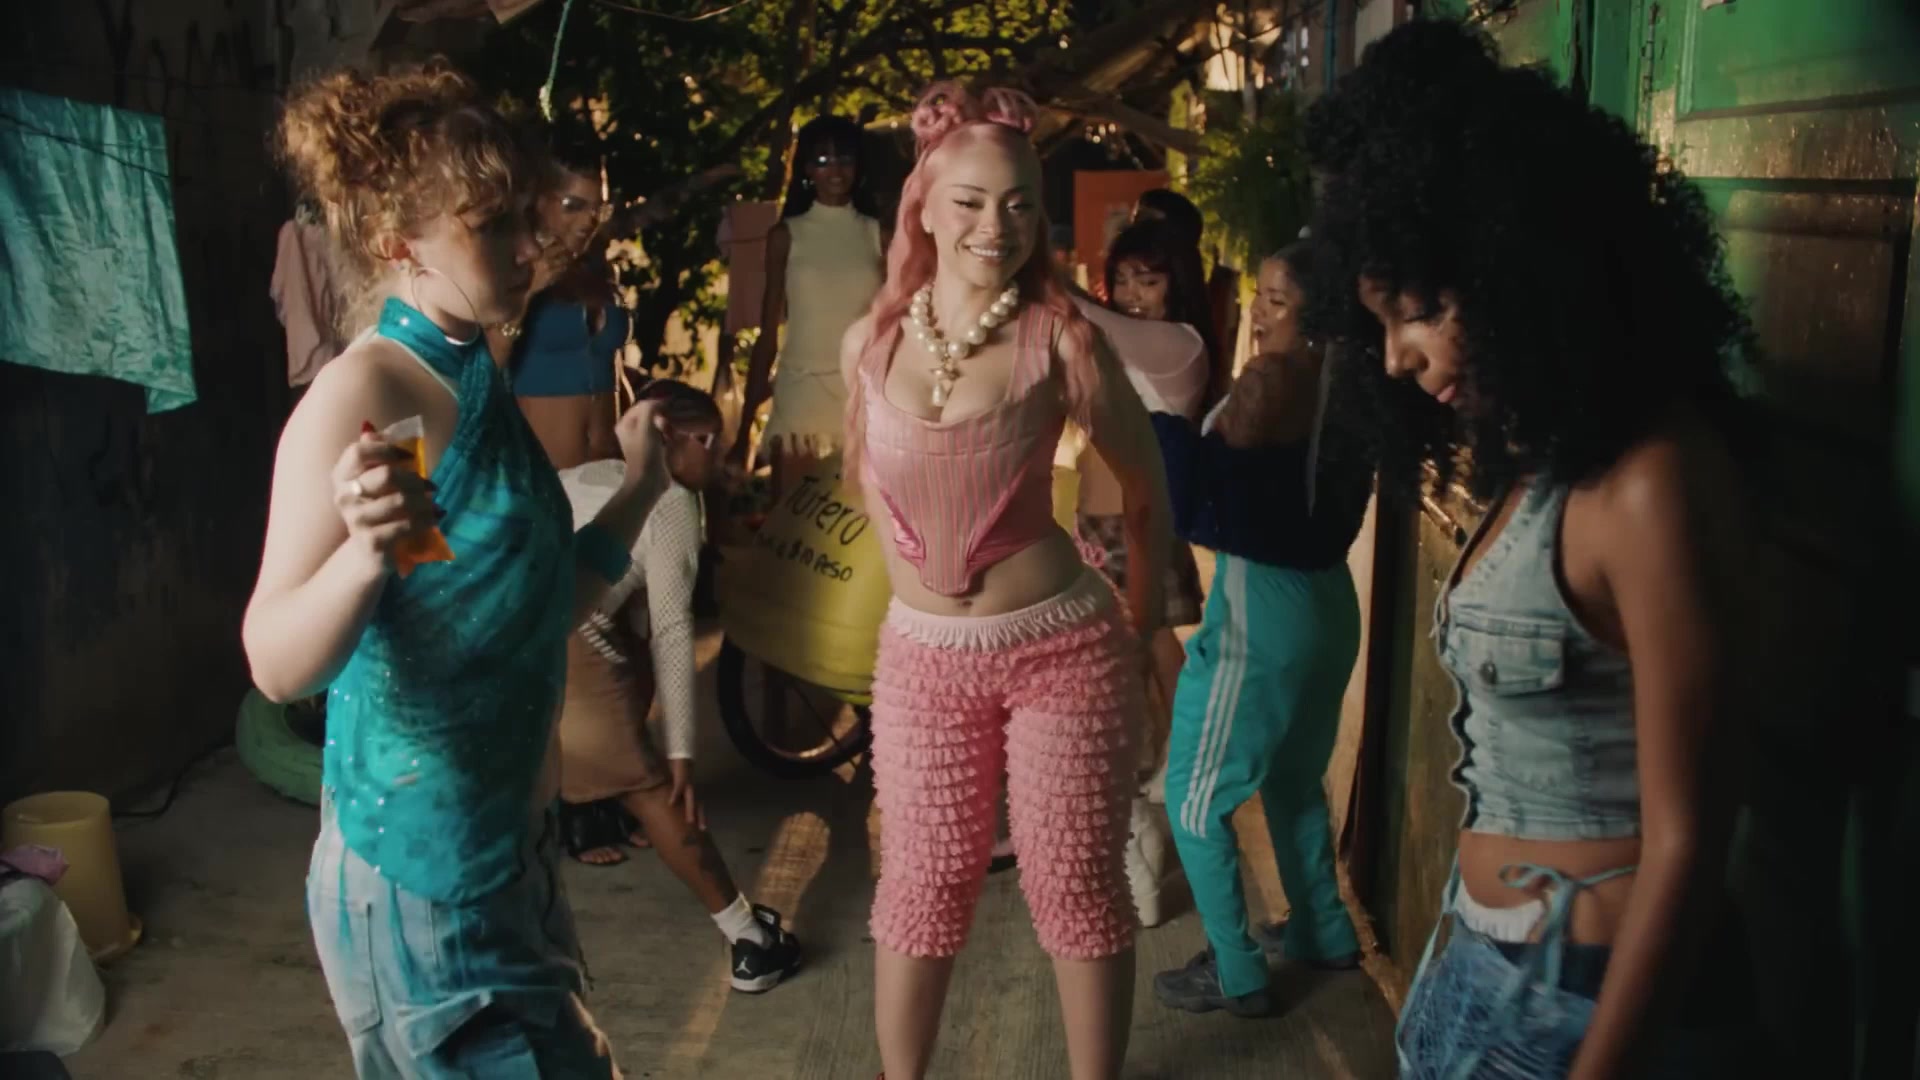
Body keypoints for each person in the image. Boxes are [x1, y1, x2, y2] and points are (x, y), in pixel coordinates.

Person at [1306, 20, 1755, 1077]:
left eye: (1421, 311)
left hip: (1580, 1003)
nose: (1398, 357)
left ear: (1526, 269)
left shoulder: (1647, 483)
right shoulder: (1542, 462)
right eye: (1379, 325)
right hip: (1481, 972)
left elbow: (1689, 841)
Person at [246, 62, 674, 1077]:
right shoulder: (374, 392)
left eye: (527, 216)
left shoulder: (465, 369)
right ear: (398, 240)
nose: (530, 246)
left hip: (506, 864)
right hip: (423, 889)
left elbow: (527, 609)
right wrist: (360, 557)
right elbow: (275, 661)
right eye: (492, 226)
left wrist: (642, 488)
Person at [842, 82, 1172, 1080]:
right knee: (922, 883)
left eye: (1022, 203)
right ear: (924, 207)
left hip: (1062, 648)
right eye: (973, 201)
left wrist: (1145, 626)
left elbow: (1146, 487)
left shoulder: (1062, 340)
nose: (998, 224)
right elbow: (874, 501)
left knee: (1073, 882)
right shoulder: (869, 344)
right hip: (922, 658)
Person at [1148, 241, 1369, 1017]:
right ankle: (1322, 929)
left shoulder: (1274, 380)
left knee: (1194, 798)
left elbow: (1204, 502)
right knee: (1293, 779)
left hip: (1262, 610)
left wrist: (1161, 429)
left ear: (1319, 316)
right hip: (1329, 605)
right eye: (1260, 296)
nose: (1261, 314)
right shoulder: (1352, 385)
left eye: (1278, 301)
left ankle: (1236, 971)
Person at [554, 379, 804, 993]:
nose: (718, 455)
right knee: (654, 790)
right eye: (708, 441)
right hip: (563, 625)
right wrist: (681, 754)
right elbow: (671, 629)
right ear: (675, 439)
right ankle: (750, 943)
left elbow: (641, 626)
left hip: (500, 616)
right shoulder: (671, 501)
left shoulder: (599, 474)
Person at [731, 114, 887, 495]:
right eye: (822, 159)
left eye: (844, 158)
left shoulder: (879, 236)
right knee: (791, 517)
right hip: (800, 391)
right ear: (806, 170)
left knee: (856, 522)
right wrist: (744, 428)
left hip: (861, 397)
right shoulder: (786, 236)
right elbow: (768, 331)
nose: (835, 169)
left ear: (858, 166)